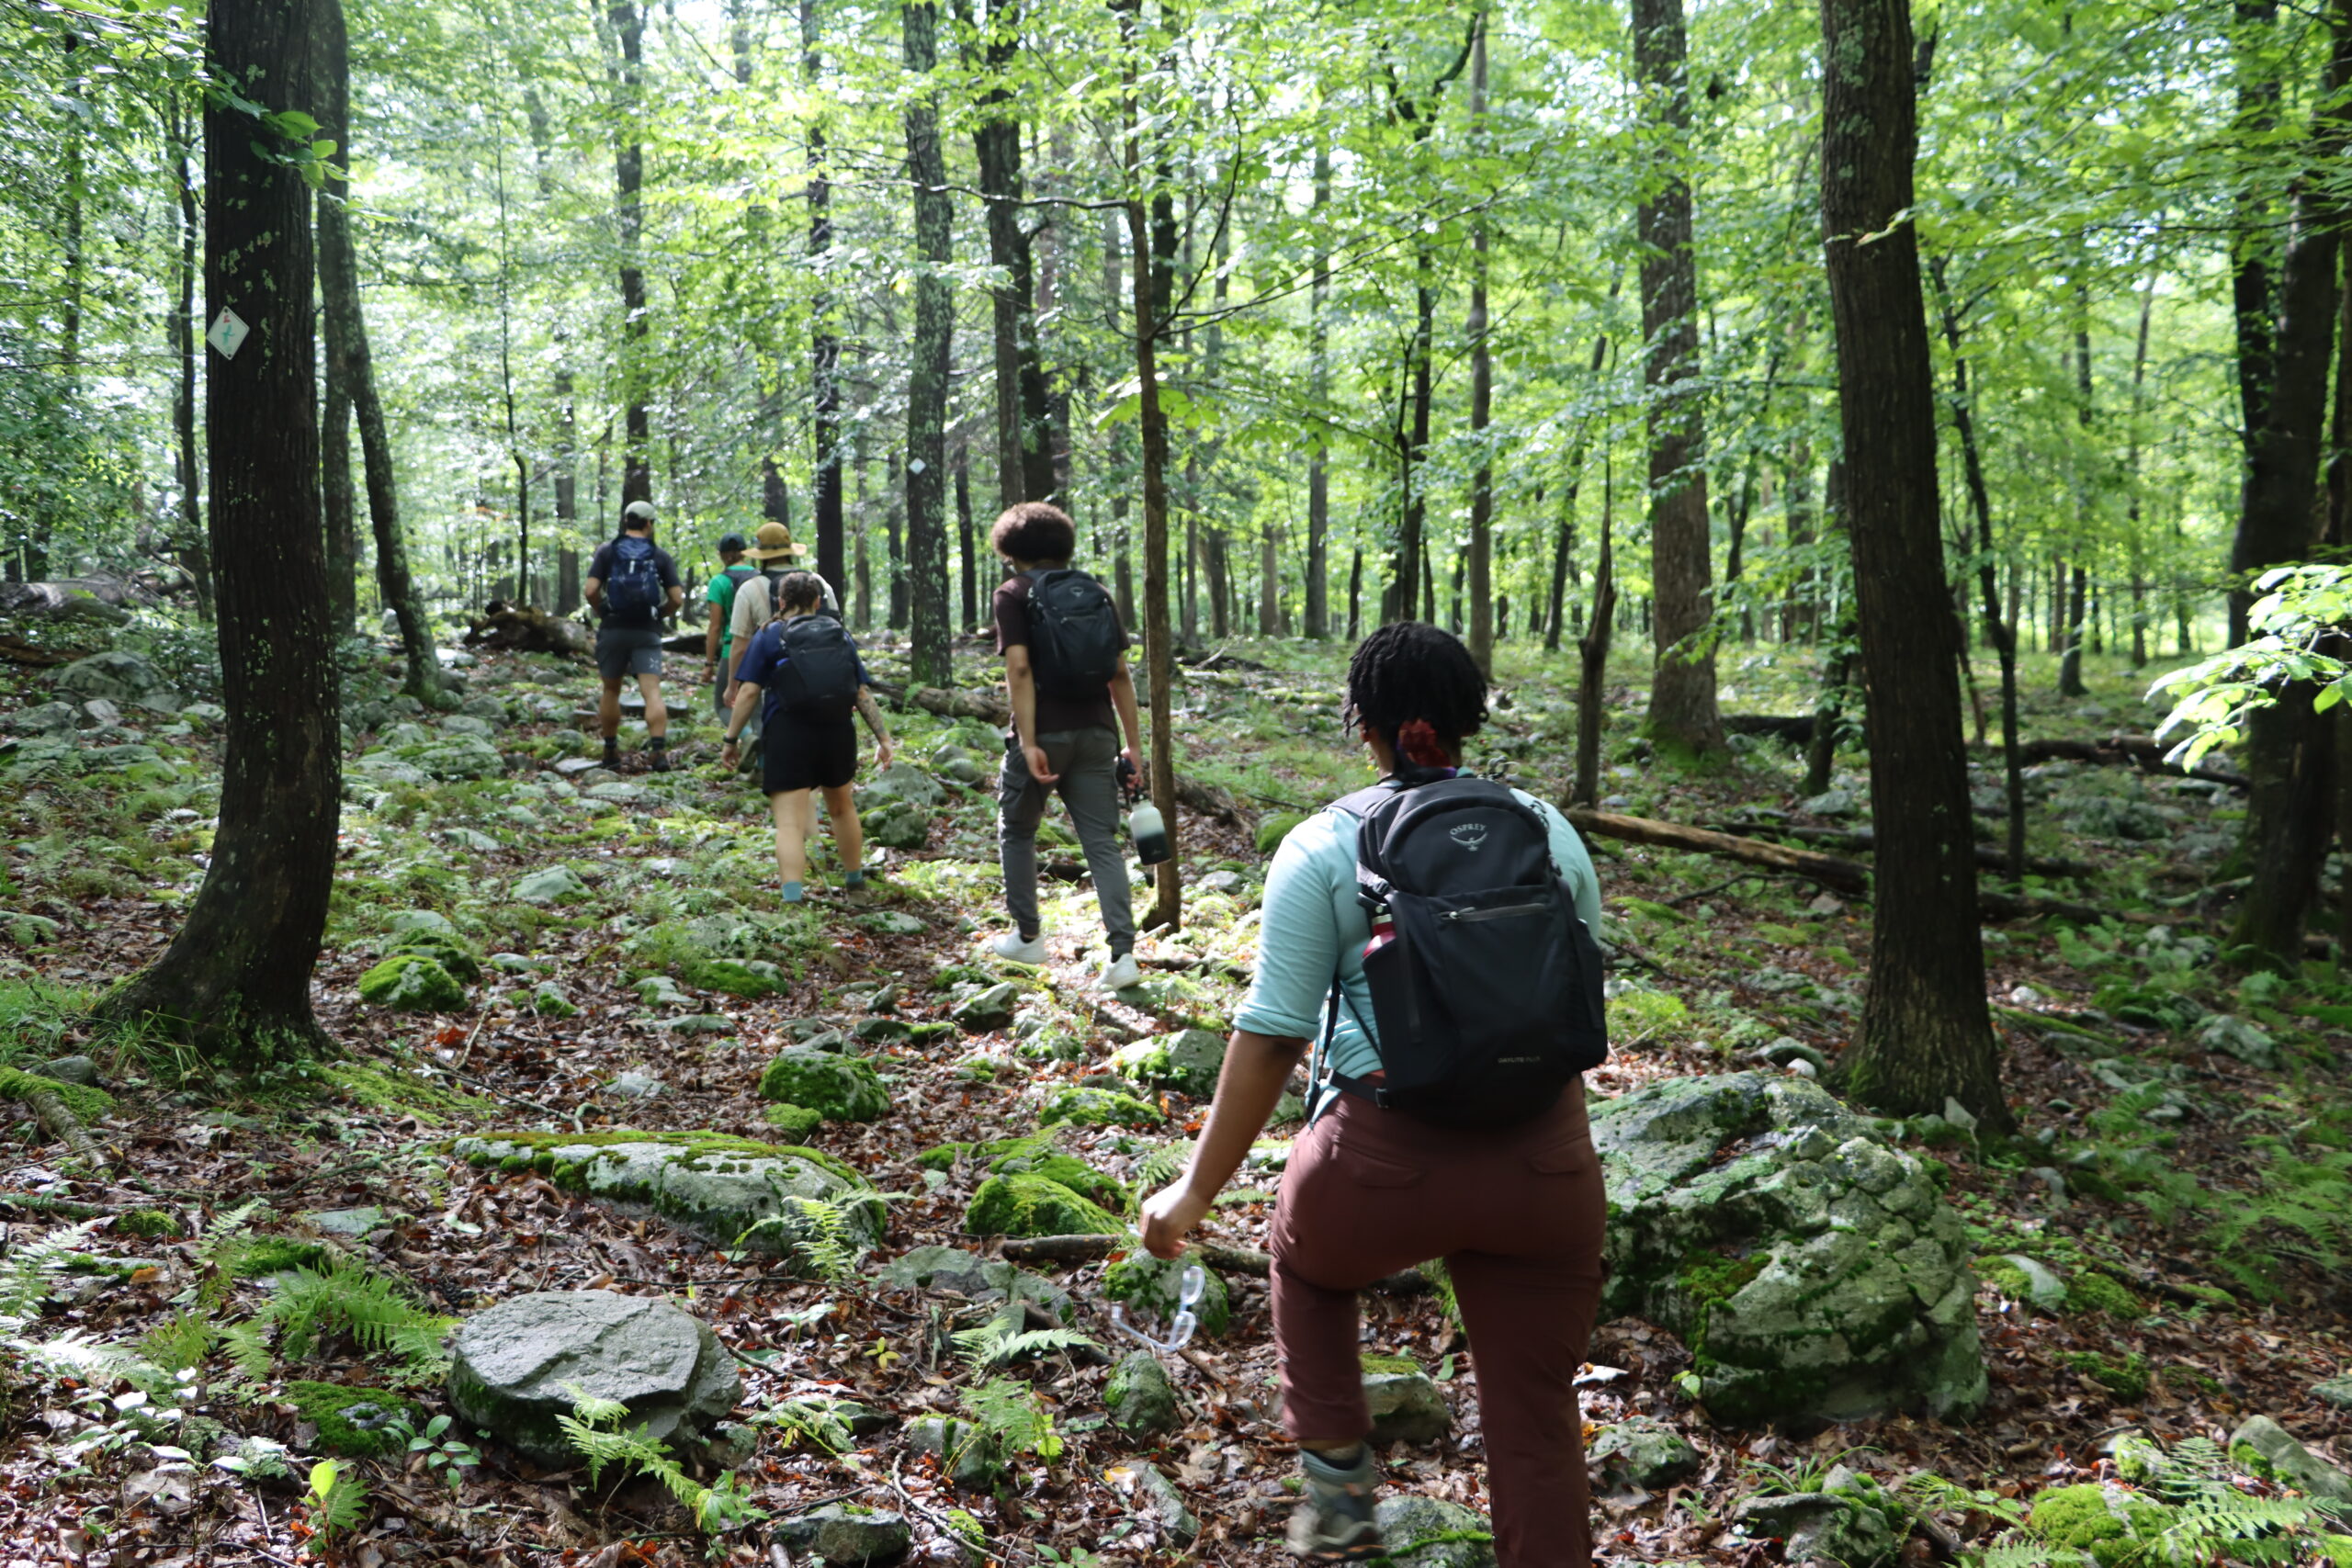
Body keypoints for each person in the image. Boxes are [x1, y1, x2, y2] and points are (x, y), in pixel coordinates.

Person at [1139, 622, 1607, 1568]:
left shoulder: (1322, 847)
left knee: (1305, 1269)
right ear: (1469, 721)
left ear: (1364, 725)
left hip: (1382, 1163)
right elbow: (1577, 996)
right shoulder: (1547, 830)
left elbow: (1272, 1036)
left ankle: (1341, 1482)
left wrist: (1192, 1194)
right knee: (1535, 1419)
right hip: (1545, 1165)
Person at [987, 502, 1148, 992]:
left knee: (1017, 830)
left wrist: (1030, 741)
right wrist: (1134, 748)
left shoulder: (1012, 593)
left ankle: (1028, 936)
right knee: (1102, 844)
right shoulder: (1095, 591)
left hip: (1045, 733)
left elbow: (1019, 669)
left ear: (1010, 549)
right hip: (1099, 733)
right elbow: (1119, 672)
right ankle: (1122, 957)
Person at [720, 570, 893, 904]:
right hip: (837, 731)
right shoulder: (838, 634)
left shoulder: (770, 634)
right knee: (843, 809)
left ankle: (794, 901)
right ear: (817, 601)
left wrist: (730, 740)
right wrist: (883, 738)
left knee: (788, 824)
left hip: (788, 734)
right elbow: (861, 693)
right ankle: (855, 887)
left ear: (781, 602)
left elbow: (749, 691)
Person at [723, 522, 842, 753]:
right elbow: (837, 631)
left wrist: (732, 685)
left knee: (762, 715)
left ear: (761, 555)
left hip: (777, 681)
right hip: (825, 675)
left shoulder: (750, 588)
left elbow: (739, 645)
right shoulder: (818, 583)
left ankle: (766, 765)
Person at [584, 500, 684, 772]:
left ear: (626, 521)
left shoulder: (607, 552)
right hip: (646, 630)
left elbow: (591, 590)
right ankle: (658, 752)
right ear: (649, 524)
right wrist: (660, 614)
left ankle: (610, 751)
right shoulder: (660, 555)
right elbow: (677, 597)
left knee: (610, 689)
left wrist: (603, 610)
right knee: (651, 691)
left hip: (613, 628)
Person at [702, 533, 758, 719]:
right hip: (760, 648)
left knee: (722, 705)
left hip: (731, 650)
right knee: (756, 709)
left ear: (722, 555)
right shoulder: (759, 578)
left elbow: (715, 626)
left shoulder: (719, 582)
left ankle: (747, 737)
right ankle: (755, 743)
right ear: (745, 553)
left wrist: (709, 664)